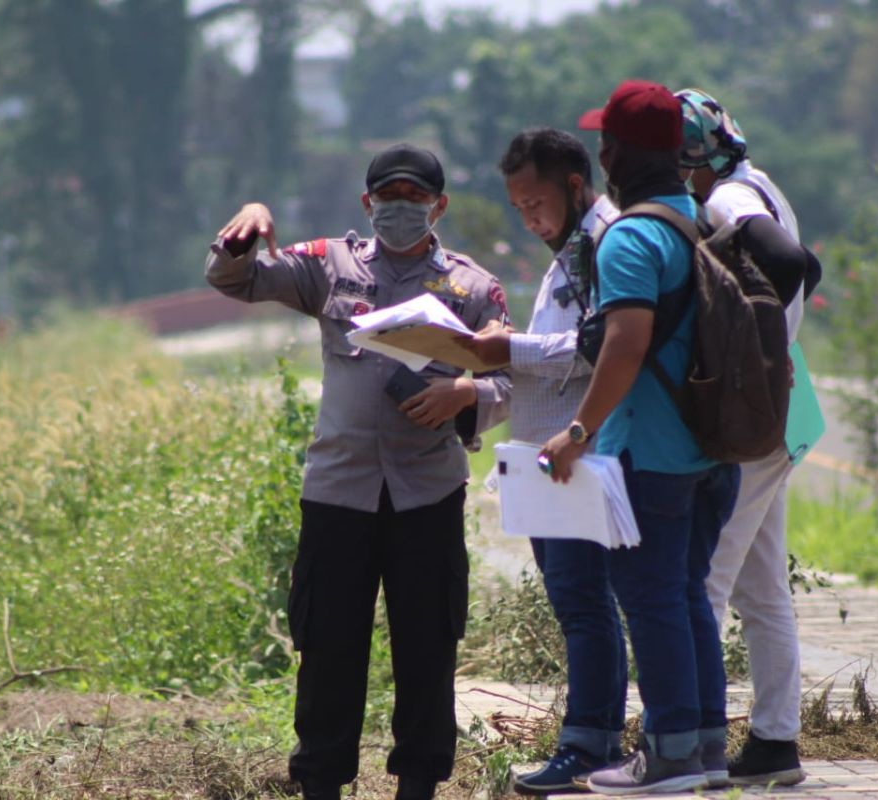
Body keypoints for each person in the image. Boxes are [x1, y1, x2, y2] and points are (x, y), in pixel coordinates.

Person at [205, 143, 511, 800]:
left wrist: (467, 395)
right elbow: (235, 281)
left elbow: (512, 381)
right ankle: (320, 781)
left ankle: (419, 782)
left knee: (427, 647)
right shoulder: (329, 265)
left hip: (426, 491)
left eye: (415, 199)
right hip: (339, 490)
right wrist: (248, 222)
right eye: (389, 199)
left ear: (440, 206)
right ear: (367, 204)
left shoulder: (473, 287)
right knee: (328, 648)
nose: (401, 210)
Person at [539, 80, 741, 795]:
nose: (602, 154)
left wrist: (576, 432)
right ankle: (707, 749)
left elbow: (624, 345)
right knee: (686, 596)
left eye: (606, 142)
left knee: (651, 599)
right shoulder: (703, 218)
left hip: (650, 453)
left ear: (616, 152)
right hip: (712, 451)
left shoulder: (634, 235)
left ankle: (668, 755)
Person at [461, 128, 627, 794]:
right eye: (518, 206)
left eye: (536, 202)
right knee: (577, 604)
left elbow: (601, 350)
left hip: (572, 451)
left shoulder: (603, 244)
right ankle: (593, 741)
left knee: (586, 605)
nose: (528, 218)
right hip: (546, 457)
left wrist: (512, 351)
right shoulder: (574, 248)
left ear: (575, 186)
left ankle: (589, 746)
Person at [677, 87, 816, 787]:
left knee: (702, 579)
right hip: (789, 406)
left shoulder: (729, 199)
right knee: (761, 591)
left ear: (691, 161)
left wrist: (754, 343)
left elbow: (790, 262)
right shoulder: (755, 182)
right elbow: (800, 267)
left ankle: (692, 739)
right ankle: (775, 742)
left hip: (759, 409)